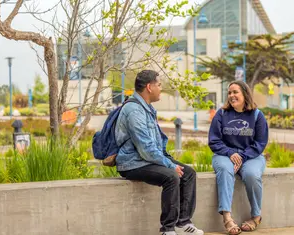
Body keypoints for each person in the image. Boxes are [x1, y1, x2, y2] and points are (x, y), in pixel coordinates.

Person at [115, 70, 204, 235]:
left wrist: (167, 160)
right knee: (171, 176)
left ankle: (182, 223)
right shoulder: (134, 110)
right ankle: (167, 229)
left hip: (145, 160)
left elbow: (153, 146)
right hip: (132, 163)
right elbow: (145, 148)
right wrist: (169, 164)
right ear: (149, 87)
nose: (161, 88)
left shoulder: (146, 108)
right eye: (159, 84)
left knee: (189, 173)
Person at [208, 80, 269, 234]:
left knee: (251, 174)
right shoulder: (221, 114)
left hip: (251, 155)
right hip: (224, 154)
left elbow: (261, 143)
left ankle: (256, 216)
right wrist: (230, 153)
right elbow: (214, 141)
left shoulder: (257, 115)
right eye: (229, 93)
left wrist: (241, 156)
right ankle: (227, 218)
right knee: (224, 168)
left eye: (235, 92)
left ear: (245, 94)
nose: (231, 95)